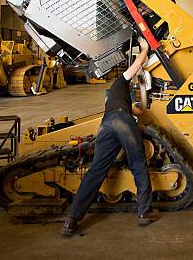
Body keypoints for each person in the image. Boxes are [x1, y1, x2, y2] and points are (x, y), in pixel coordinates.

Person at [62, 37, 160, 236]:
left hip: (106, 127)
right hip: (122, 122)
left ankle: (72, 219)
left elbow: (140, 109)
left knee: (96, 171)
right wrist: (144, 50)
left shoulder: (117, 97)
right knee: (138, 165)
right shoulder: (120, 82)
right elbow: (137, 65)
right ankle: (144, 212)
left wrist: (143, 86)